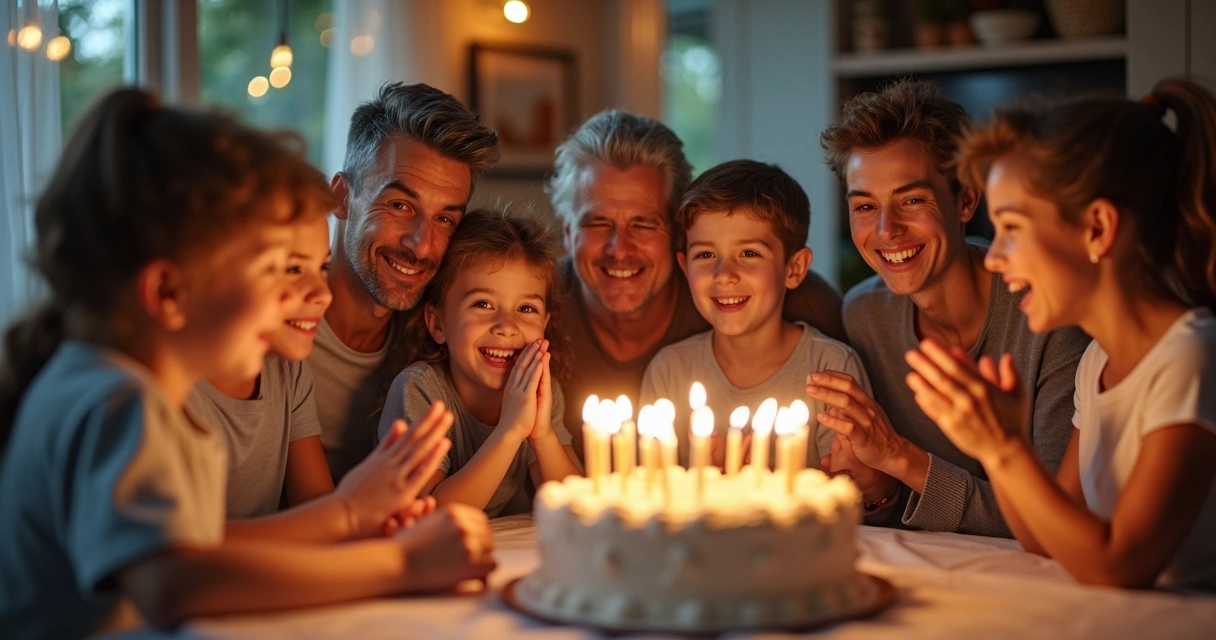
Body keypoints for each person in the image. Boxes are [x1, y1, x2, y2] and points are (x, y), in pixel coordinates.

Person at [0, 90, 495, 639]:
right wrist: (402, 566)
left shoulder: (114, 385)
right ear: (168, 291)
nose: (298, 298)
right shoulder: (117, 400)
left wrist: (353, 512)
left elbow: (201, 544)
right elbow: (172, 581)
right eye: (272, 271)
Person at [905, 78, 1216, 590]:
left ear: (1096, 228)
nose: (996, 255)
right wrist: (998, 446)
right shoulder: (1098, 360)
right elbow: (1045, 539)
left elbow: (1119, 563)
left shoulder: (1190, 358)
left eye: (1012, 227)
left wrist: (1004, 448)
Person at [811, 80, 1091, 537]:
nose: (886, 230)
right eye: (865, 206)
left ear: (964, 200)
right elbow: (900, 505)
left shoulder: (1047, 315)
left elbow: (1053, 521)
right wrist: (880, 486)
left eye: (912, 200)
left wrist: (903, 458)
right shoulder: (865, 317)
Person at [548, 110, 848, 456]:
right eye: (596, 223)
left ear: (678, 233)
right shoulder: (529, 304)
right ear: (568, 232)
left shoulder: (805, 305)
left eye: (644, 224)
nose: (620, 249)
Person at [311, 82, 500, 482]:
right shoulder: (271, 330)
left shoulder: (447, 333)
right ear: (342, 198)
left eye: (445, 219)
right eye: (400, 205)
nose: (422, 245)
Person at [641, 160, 870, 466]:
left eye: (749, 253)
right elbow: (652, 497)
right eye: (705, 255)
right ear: (685, 268)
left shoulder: (831, 370)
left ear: (794, 268)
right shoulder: (669, 373)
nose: (724, 275)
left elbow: (850, 497)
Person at [378, 209, 581, 517]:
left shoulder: (539, 389)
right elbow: (427, 515)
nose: (506, 325)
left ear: (545, 325)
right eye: (482, 304)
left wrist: (542, 436)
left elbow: (579, 508)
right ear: (438, 323)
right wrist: (511, 431)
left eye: (526, 308)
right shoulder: (419, 390)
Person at [187, 216, 336, 518]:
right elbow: (181, 554)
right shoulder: (162, 391)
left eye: (324, 267)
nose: (324, 294)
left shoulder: (285, 369)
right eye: (293, 269)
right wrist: (349, 512)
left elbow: (317, 507)